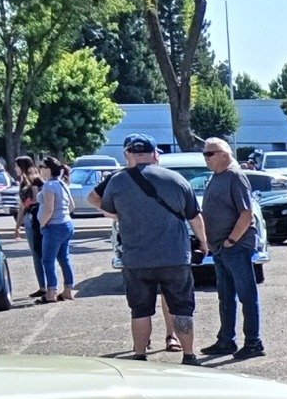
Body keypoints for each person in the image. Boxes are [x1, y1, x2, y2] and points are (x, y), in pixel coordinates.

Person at [96, 135, 206, 363]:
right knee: (182, 308)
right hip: (175, 257)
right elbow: (195, 216)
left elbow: (107, 210)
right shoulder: (176, 179)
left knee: (140, 311)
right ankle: (188, 355)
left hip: (136, 259)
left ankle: (139, 355)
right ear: (155, 154)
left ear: (131, 155)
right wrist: (204, 243)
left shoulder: (117, 181)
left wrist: (125, 215)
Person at [198, 137, 264, 359]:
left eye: (210, 153)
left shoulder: (235, 176)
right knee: (225, 297)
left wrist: (232, 241)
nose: (206, 158)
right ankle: (226, 340)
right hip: (220, 248)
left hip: (235, 247)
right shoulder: (217, 177)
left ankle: (253, 343)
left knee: (247, 295)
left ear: (225, 154)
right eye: (205, 154)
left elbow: (246, 213)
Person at [34, 155, 76, 302]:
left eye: (42, 167)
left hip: (54, 227)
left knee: (47, 260)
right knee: (64, 258)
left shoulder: (49, 186)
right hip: (67, 224)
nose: (39, 170)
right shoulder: (63, 184)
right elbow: (72, 206)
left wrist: (42, 224)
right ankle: (68, 289)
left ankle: (51, 292)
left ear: (48, 169)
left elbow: (49, 209)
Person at [12, 155, 42, 285]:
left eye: (17, 165)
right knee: (35, 254)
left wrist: (28, 203)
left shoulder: (34, 180)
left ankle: (46, 287)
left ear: (22, 166)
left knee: (38, 253)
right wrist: (17, 226)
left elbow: (36, 199)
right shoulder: (23, 182)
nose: (15, 168)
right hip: (28, 218)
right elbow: (21, 206)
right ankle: (42, 286)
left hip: (36, 218)